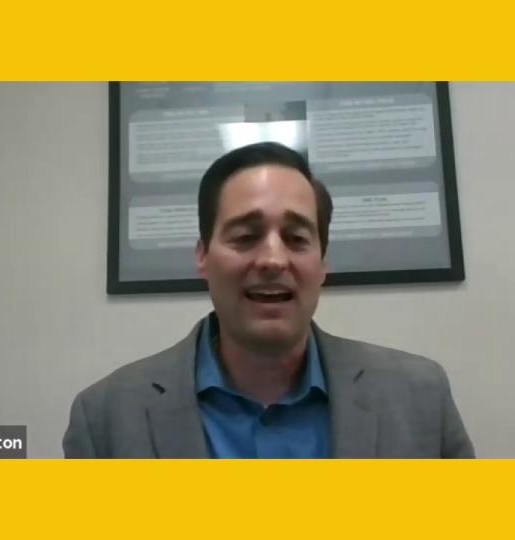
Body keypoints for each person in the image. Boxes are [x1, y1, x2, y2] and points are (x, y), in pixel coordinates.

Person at [63, 142, 474, 458]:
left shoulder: (420, 398)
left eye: (296, 238)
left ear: (322, 263)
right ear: (202, 256)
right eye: (245, 237)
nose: (273, 260)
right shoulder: (105, 419)